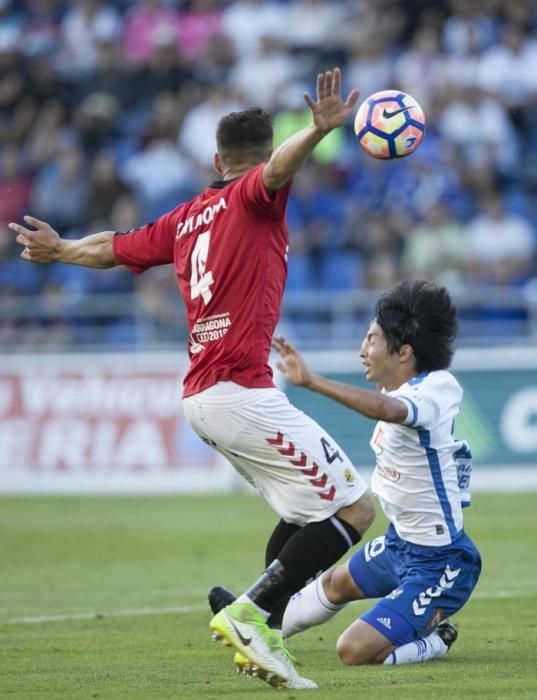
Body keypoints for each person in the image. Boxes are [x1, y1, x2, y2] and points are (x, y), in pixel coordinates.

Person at [10, 67, 375, 690]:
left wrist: (61, 248)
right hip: (238, 390)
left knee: (300, 513)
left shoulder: (185, 218)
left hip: (205, 396)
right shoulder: (252, 196)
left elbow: (113, 248)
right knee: (356, 508)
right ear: (258, 158)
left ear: (214, 157)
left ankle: (266, 627)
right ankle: (256, 615)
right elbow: (279, 172)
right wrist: (314, 134)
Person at [271, 280, 481, 668]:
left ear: (403, 352)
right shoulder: (395, 391)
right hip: (399, 545)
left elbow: (389, 411)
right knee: (333, 584)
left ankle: (436, 640)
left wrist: (313, 382)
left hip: (442, 561)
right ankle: (259, 625)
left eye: (371, 340)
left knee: (353, 651)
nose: (362, 351)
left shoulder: (437, 387)